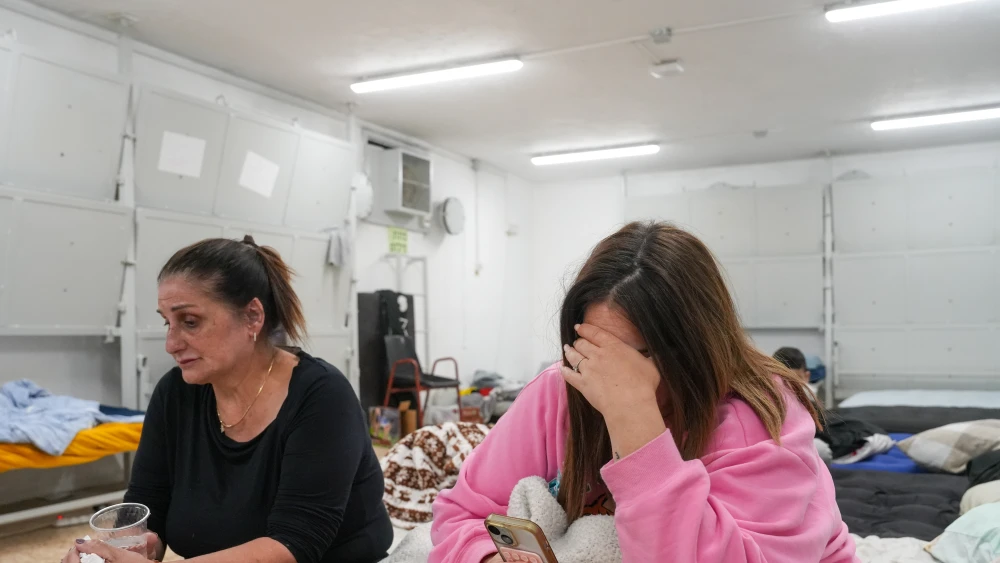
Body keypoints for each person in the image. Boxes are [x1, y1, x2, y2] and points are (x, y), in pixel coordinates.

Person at [430, 222, 857, 563]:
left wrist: (636, 423)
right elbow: (462, 515)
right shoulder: (561, 390)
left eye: (641, 357)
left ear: (698, 345)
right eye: (595, 351)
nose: (612, 376)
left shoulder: (761, 412)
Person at [63, 236, 392, 563]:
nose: (171, 343)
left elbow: (294, 545)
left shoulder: (322, 398)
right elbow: (148, 506)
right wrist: (122, 550)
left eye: (190, 322)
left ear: (252, 317)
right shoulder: (175, 394)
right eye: (168, 322)